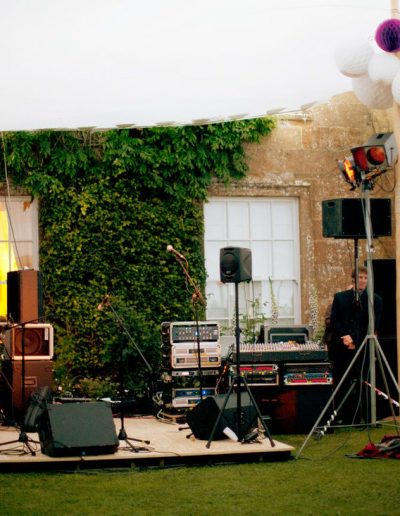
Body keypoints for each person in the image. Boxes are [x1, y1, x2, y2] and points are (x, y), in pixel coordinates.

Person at [329, 266, 383, 424]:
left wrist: (356, 341)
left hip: (363, 347)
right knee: (342, 381)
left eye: (366, 278)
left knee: (365, 381)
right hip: (342, 348)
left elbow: (373, 325)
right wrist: (345, 337)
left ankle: (366, 417)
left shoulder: (375, 300)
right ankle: (340, 417)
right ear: (353, 278)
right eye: (360, 277)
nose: (363, 281)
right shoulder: (340, 297)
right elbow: (335, 320)